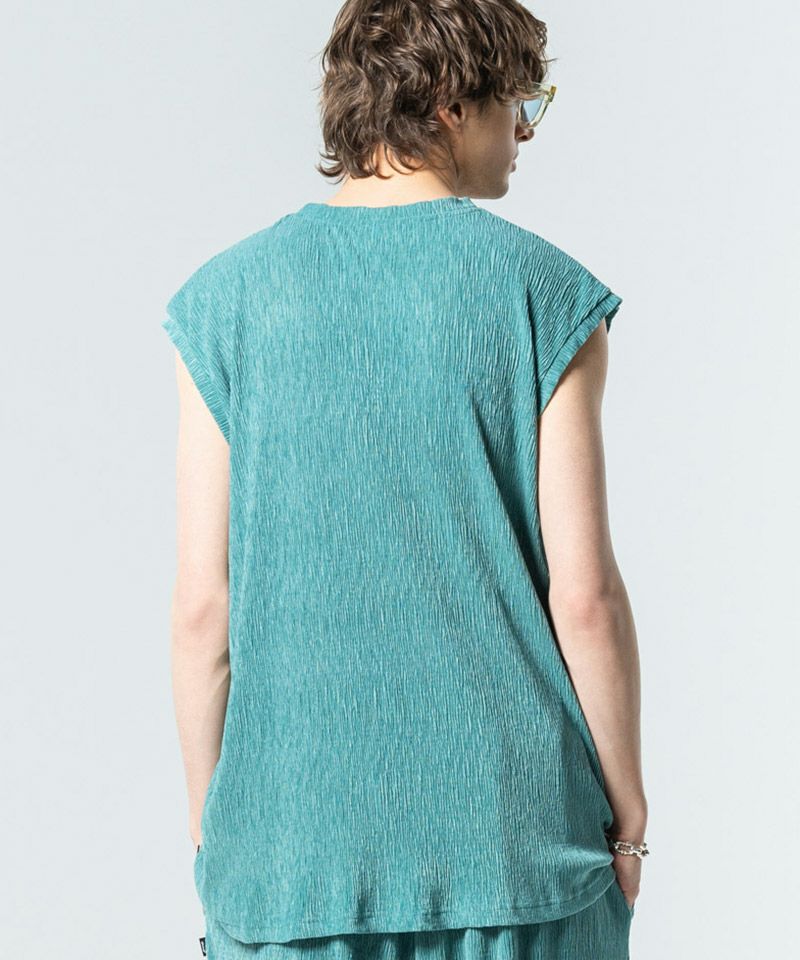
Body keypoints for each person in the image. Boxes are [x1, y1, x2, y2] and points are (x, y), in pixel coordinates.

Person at [162, 2, 648, 958]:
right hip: (515, 852)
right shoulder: (543, 293)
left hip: (288, 864)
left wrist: (215, 818)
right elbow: (584, 597)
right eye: (519, 102)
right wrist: (628, 810)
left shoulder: (223, 303)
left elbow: (202, 609)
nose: (526, 131)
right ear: (450, 105)